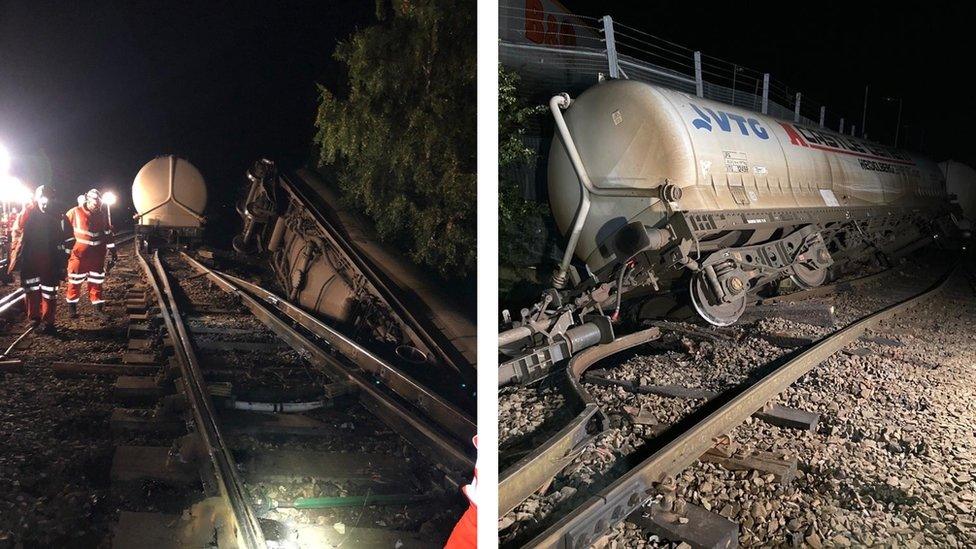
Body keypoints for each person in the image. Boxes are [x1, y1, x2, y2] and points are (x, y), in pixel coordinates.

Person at [8, 185, 65, 334]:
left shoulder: (56, 216)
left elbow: (60, 241)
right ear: (37, 198)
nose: (46, 202)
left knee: (49, 291)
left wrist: (61, 264)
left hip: (49, 260)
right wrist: (16, 257)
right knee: (31, 289)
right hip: (30, 259)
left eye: (49, 198)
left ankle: (49, 322)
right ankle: (34, 318)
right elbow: (17, 234)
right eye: (44, 198)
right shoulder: (27, 214)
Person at [65, 188, 116, 319]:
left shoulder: (102, 214)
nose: (96, 207)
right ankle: (72, 310)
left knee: (97, 282)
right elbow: (64, 231)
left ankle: (97, 310)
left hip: (97, 256)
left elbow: (107, 234)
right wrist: (64, 252)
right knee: (74, 281)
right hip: (79, 256)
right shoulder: (74, 212)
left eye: (99, 205)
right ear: (88, 201)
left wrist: (113, 251)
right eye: (94, 204)